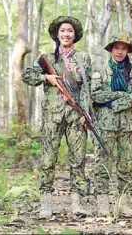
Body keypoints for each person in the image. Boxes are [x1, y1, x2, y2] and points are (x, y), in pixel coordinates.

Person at [22, 16, 92, 217]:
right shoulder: (46, 58)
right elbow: (27, 75)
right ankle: (46, 203)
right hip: (52, 117)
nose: (66, 34)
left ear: (75, 34)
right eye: (62, 31)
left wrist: (86, 113)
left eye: (69, 31)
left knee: (78, 159)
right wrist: (47, 77)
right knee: (48, 159)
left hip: (75, 116)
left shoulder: (83, 58)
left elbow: (88, 89)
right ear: (57, 34)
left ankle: (77, 203)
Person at [90, 33, 132, 217]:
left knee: (126, 165)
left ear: (128, 51)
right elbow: (96, 95)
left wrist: (116, 102)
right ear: (111, 50)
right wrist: (119, 95)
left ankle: (124, 203)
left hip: (128, 125)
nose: (120, 52)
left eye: (123, 48)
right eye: (116, 48)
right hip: (105, 124)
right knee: (102, 164)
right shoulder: (101, 70)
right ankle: (103, 202)